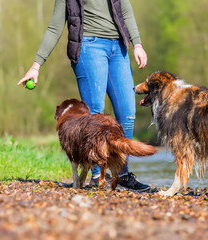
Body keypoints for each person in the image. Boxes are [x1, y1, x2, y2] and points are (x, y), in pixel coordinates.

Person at [17, 0, 151, 192]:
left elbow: (125, 9)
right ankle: (97, 173)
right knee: (95, 114)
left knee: (128, 114)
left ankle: (121, 174)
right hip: (89, 46)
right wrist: (36, 65)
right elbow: (55, 26)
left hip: (119, 47)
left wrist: (137, 43)